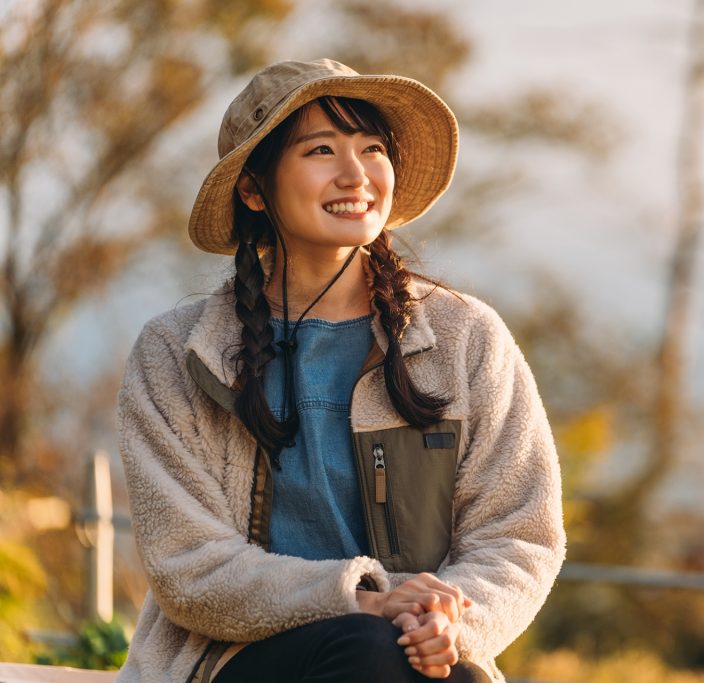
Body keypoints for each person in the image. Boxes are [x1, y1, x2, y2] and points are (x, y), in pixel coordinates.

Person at [115, 58, 565, 683]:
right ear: (254, 189)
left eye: (373, 148)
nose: (356, 174)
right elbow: (191, 566)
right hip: (229, 662)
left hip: (409, 654)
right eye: (322, 150)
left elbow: (519, 535)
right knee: (371, 649)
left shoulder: (467, 340)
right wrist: (363, 599)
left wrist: (449, 623)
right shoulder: (178, 352)